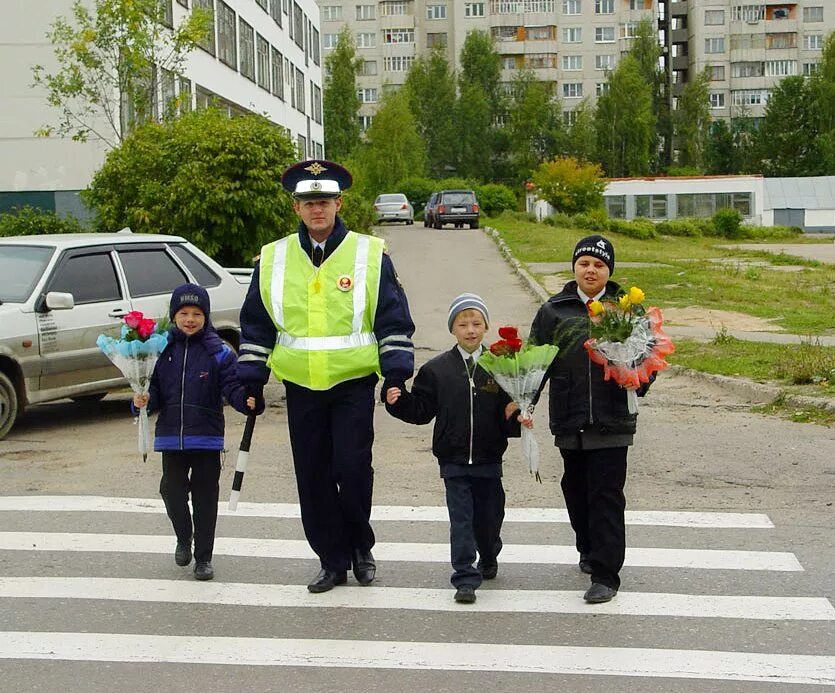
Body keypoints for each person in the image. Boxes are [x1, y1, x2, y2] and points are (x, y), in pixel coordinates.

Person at [236, 159, 415, 594]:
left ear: (339, 203)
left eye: (325, 201)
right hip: (301, 387)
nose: (318, 209)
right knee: (313, 476)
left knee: (353, 471)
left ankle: (359, 546)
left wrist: (396, 374)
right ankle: (331, 560)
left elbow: (392, 318)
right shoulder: (274, 258)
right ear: (297, 208)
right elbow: (256, 324)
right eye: (308, 202)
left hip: (352, 384)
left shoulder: (370, 254)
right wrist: (251, 379)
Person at [529, 235, 652, 604]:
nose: (591, 270)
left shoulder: (626, 310)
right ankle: (588, 545)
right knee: (576, 490)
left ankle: (606, 573)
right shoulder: (554, 311)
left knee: (606, 495)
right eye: (584, 263)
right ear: (574, 268)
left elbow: (649, 355)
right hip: (569, 418)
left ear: (608, 270)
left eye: (599, 264)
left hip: (613, 419)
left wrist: (637, 378)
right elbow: (535, 362)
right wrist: (523, 402)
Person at [384, 294, 530, 604]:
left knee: (489, 518)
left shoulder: (501, 366)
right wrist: (398, 403)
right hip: (453, 460)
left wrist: (516, 416)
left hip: (490, 458)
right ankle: (464, 577)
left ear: (486, 327)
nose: (470, 330)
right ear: (453, 329)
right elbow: (422, 410)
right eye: (462, 324)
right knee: (461, 520)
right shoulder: (437, 370)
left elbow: (511, 410)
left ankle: (489, 553)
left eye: (477, 323)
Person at [134, 283, 261, 581]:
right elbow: (151, 390)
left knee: (205, 499)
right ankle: (183, 536)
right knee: (171, 490)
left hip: (206, 438)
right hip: (171, 439)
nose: (190, 319)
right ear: (174, 315)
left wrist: (246, 401)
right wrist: (142, 400)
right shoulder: (159, 350)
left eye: (196, 314)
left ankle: (204, 558)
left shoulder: (219, 353)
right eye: (183, 313)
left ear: (206, 317)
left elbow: (232, 387)